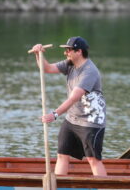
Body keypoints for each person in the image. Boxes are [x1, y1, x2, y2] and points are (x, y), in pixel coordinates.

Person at [31, 36, 107, 176]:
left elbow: (73, 98)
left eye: (68, 50)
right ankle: (59, 185)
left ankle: (104, 186)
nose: (65, 53)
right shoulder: (70, 63)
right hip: (72, 119)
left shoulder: (89, 71)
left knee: (92, 159)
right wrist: (38, 54)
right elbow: (47, 68)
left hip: (91, 122)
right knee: (62, 154)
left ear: (79, 52)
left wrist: (54, 114)